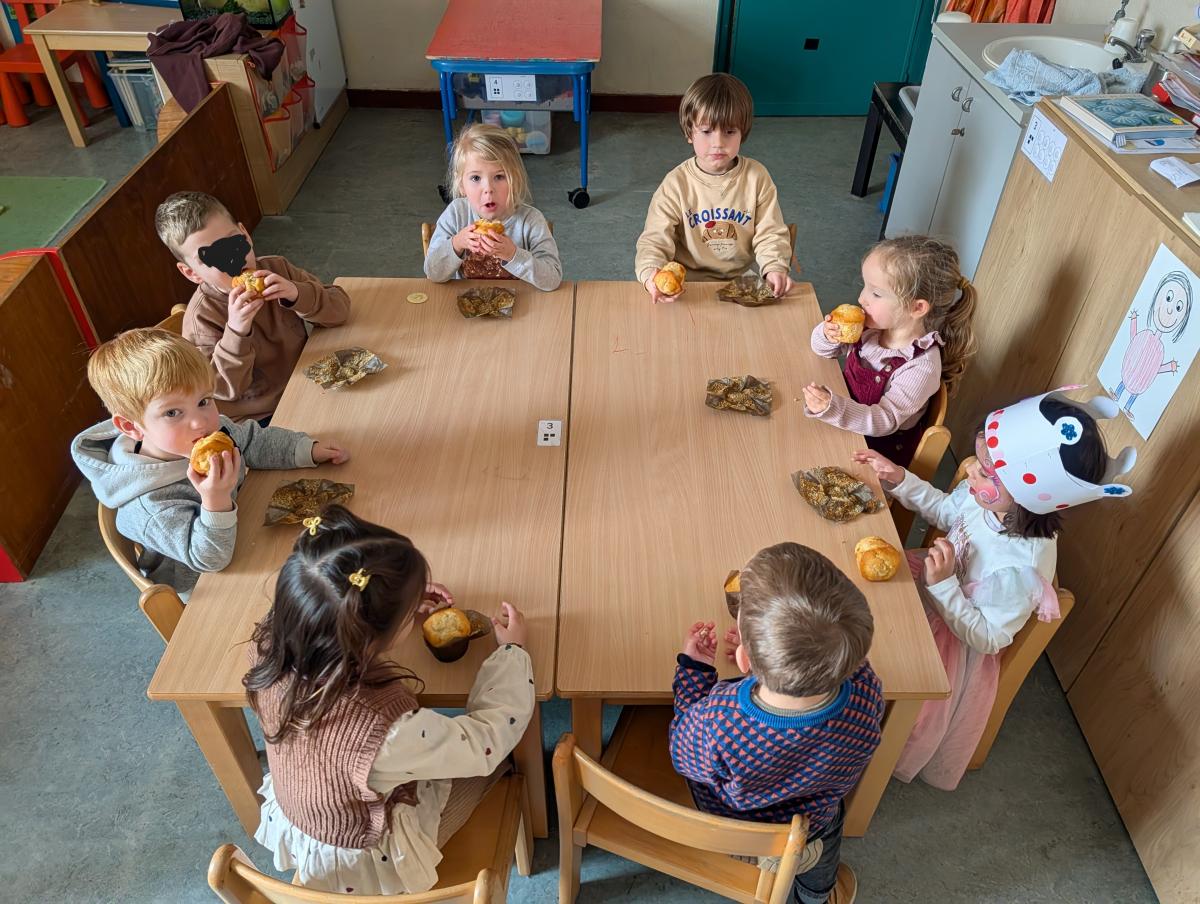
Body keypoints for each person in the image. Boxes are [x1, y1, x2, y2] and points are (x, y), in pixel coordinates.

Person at [243, 505, 534, 894]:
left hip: (310, 815)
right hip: (368, 854)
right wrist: (512, 653)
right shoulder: (387, 731)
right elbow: (486, 740)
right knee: (502, 762)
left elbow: (315, 599)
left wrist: (396, 602)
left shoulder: (268, 646)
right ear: (369, 634)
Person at [855, 388, 1135, 790]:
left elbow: (989, 637)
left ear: (1027, 492)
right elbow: (946, 511)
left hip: (952, 638)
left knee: (877, 670)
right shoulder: (988, 500)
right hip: (930, 583)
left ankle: (855, 738)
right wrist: (900, 479)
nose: (971, 472)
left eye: (986, 473)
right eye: (979, 461)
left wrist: (944, 586)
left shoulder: (1021, 566)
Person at [670, 542, 884, 904]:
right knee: (826, 834)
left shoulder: (719, 719)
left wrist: (695, 672)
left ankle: (761, 866)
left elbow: (682, 752)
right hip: (811, 823)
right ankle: (814, 897)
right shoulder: (867, 689)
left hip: (738, 826)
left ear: (744, 661)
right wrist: (774, 659)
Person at [71, 328, 348, 591]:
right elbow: (208, 559)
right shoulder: (152, 506)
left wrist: (305, 449)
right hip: (206, 586)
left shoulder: (210, 433)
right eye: (172, 413)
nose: (199, 422)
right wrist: (215, 500)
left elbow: (253, 441)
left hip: (246, 526)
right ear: (131, 427)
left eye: (203, 401)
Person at [155, 191, 350, 425]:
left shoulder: (277, 268)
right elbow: (221, 389)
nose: (233, 260)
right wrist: (236, 332)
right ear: (191, 273)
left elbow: (340, 309)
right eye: (214, 257)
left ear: (245, 234)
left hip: (306, 384)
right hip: (258, 419)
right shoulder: (201, 319)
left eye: (234, 243)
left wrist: (297, 294)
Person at [805, 235, 977, 468]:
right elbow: (822, 350)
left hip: (875, 454)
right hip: (843, 420)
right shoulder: (871, 329)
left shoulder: (921, 367)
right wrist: (828, 335)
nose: (861, 298)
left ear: (917, 307)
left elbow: (884, 421)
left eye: (876, 294)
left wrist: (833, 408)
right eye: (865, 286)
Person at [634, 72, 794, 303]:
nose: (718, 143)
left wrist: (774, 267)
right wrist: (651, 274)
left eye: (730, 131)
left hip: (741, 283)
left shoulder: (757, 177)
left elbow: (770, 232)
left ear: (743, 132)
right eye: (707, 131)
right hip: (687, 284)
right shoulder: (676, 184)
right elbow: (655, 239)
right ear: (689, 132)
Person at [424, 123, 562, 290]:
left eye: (499, 177)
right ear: (461, 184)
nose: (488, 189)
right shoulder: (456, 214)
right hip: (467, 300)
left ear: (515, 180)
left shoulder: (530, 220)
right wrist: (457, 243)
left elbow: (552, 279)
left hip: (522, 301)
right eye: (476, 178)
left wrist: (513, 255)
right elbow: (433, 273)